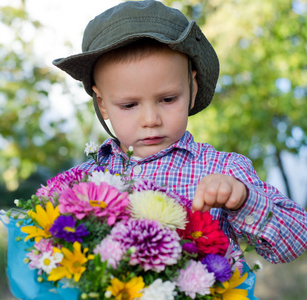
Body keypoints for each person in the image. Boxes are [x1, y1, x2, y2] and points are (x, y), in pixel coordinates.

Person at [52, 0, 307, 273]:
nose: (151, 120)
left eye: (168, 99)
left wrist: (243, 200)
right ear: (102, 104)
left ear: (192, 89)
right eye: (129, 105)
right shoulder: (82, 183)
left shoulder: (223, 171)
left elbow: (296, 241)